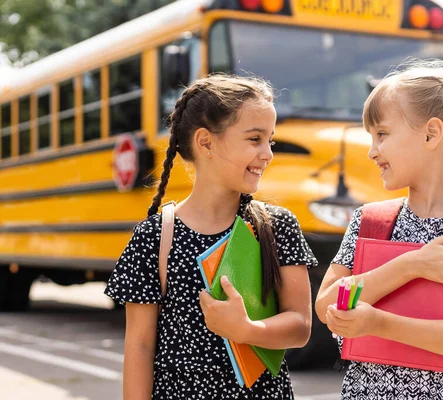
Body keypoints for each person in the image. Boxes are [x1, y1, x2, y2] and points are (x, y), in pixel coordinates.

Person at [105, 75, 317, 399]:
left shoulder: (277, 226)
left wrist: (246, 330)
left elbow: (300, 326)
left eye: (269, 141)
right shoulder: (154, 237)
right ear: (206, 143)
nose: (268, 154)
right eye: (254, 139)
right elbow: (140, 346)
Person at [315, 61, 443, 399]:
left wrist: (379, 324)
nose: (371, 151)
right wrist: (413, 265)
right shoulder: (368, 220)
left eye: (382, 134)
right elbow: (326, 305)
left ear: (431, 134)